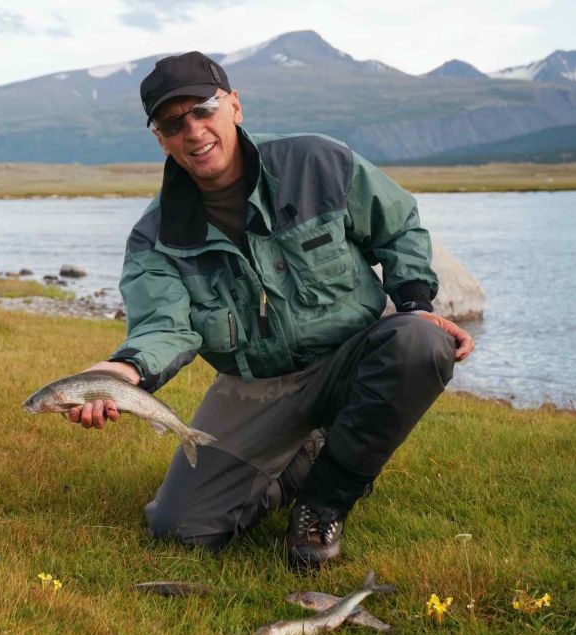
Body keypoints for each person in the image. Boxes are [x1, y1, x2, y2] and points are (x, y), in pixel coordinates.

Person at [65, 51, 474, 569]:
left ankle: (324, 502)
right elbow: (162, 328)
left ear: (234, 106)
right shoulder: (155, 238)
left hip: (352, 357)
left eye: (204, 109)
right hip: (257, 387)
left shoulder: (318, 163)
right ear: (160, 139)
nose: (192, 130)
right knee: (180, 530)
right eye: (173, 122)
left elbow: (398, 227)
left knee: (419, 340)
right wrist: (119, 372)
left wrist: (415, 304)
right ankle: (309, 458)